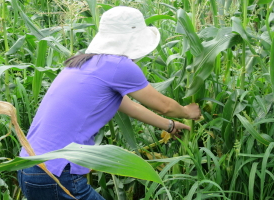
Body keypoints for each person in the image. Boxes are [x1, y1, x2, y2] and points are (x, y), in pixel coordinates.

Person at [17, 6, 201, 200]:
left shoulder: (84, 64)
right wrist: (188, 112)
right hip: (57, 173)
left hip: (30, 167)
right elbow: (165, 106)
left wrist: (170, 126)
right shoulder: (118, 66)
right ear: (133, 40)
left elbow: (131, 107)